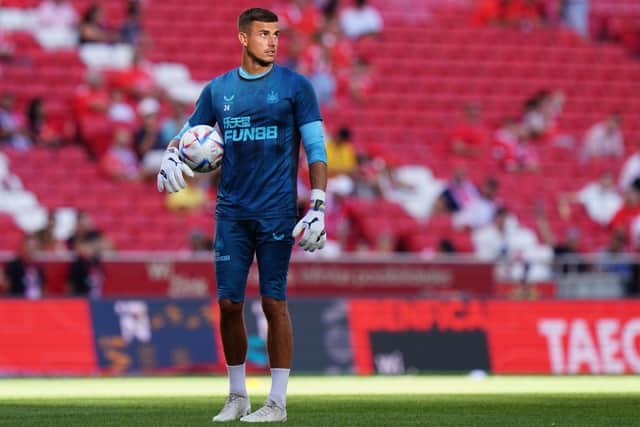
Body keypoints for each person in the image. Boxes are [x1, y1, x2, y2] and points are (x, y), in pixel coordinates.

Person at [155, 8, 327, 423]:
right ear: (243, 38)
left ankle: (277, 403)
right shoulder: (217, 90)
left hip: (276, 210)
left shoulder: (295, 87)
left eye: (276, 34)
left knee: (273, 301)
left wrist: (318, 203)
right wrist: (170, 152)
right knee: (229, 304)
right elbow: (189, 132)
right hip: (231, 211)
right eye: (264, 33)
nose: (273, 41)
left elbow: (315, 148)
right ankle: (237, 396)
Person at [0, 234, 45, 299]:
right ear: (23, 247)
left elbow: (43, 286)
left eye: (34, 247)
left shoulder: (40, 266)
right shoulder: (14, 265)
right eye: (29, 246)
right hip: (19, 301)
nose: (31, 249)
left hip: (38, 303)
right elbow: (6, 286)